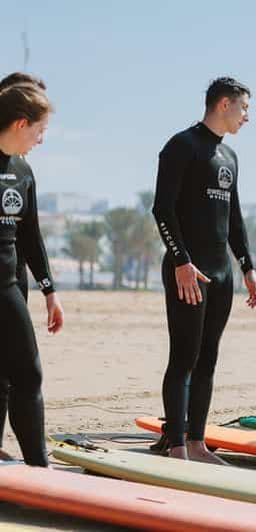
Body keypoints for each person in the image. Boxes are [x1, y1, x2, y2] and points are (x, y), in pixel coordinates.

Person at [152, 77, 256, 463]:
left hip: (221, 273)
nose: (246, 117)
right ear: (223, 104)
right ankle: (178, 446)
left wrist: (247, 267)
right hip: (189, 271)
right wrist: (181, 260)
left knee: (208, 358)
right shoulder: (181, 146)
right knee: (184, 356)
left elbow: (233, 217)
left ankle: (197, 442)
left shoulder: (229, 157)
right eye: (244, 108)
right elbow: (162, 209)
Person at [0, 82, 65, 465]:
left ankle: (37, 464)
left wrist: (50, 291)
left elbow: (31, 236)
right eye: (39, 131)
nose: (40, 140)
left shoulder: (23, 171)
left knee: (26, 374)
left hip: (7, 286)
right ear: (21, 123)